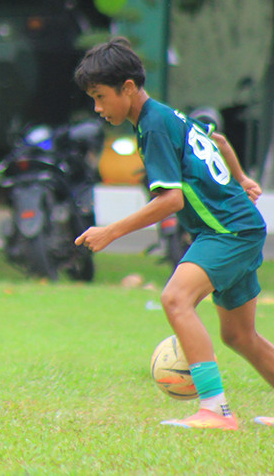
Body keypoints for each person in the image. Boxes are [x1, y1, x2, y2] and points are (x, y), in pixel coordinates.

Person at [73, 37, 274, 430]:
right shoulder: (170, 116)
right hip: (241, 226)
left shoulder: (153, 126)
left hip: (226, 231)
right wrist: (241, 176)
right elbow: (216, 138)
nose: (97, 108)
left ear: (128, 88)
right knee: (239, 334)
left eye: (100, 97)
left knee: (175, 298)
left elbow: (170, 201)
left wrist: (110, 232)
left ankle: (215, 410)